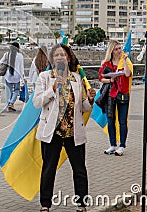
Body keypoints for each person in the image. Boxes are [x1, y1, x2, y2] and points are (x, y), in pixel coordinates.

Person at [32, 44, 95, 212]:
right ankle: (45, 204)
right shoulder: (45, 77)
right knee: (48, 169)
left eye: (63, 55)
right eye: (56, 55)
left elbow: (84, 107)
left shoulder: (77, 78)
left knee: (79, 169)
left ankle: (81, 204)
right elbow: (37, 102)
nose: (60, 57)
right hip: (52, 131)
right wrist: (53, 89)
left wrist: (90, 99)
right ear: (52, 59)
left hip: (73, 131)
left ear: (68, 58)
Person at [98, 40, 133, 156]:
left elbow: (128, 74)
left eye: (120, 48)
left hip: (122, 93)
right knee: (110, 120)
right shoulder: (107, 63)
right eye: (116, 49)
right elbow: (100, 77)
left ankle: (122, 145)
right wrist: (110, 80)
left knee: (122, 121)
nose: (119, 51)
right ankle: (112, 145)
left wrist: (124, 60)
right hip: (110, 94)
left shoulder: (126, 61)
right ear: (111, 50)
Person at [0, 42, 26, 112]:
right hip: (17, 76)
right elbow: (21, 68)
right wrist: (23, 78)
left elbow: (0, 62)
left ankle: (8, 106)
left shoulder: (7, 54)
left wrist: (6, 64)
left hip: (8, 75)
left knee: (9, 91)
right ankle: (11, 103)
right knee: (16, 90)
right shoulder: (20, 56)